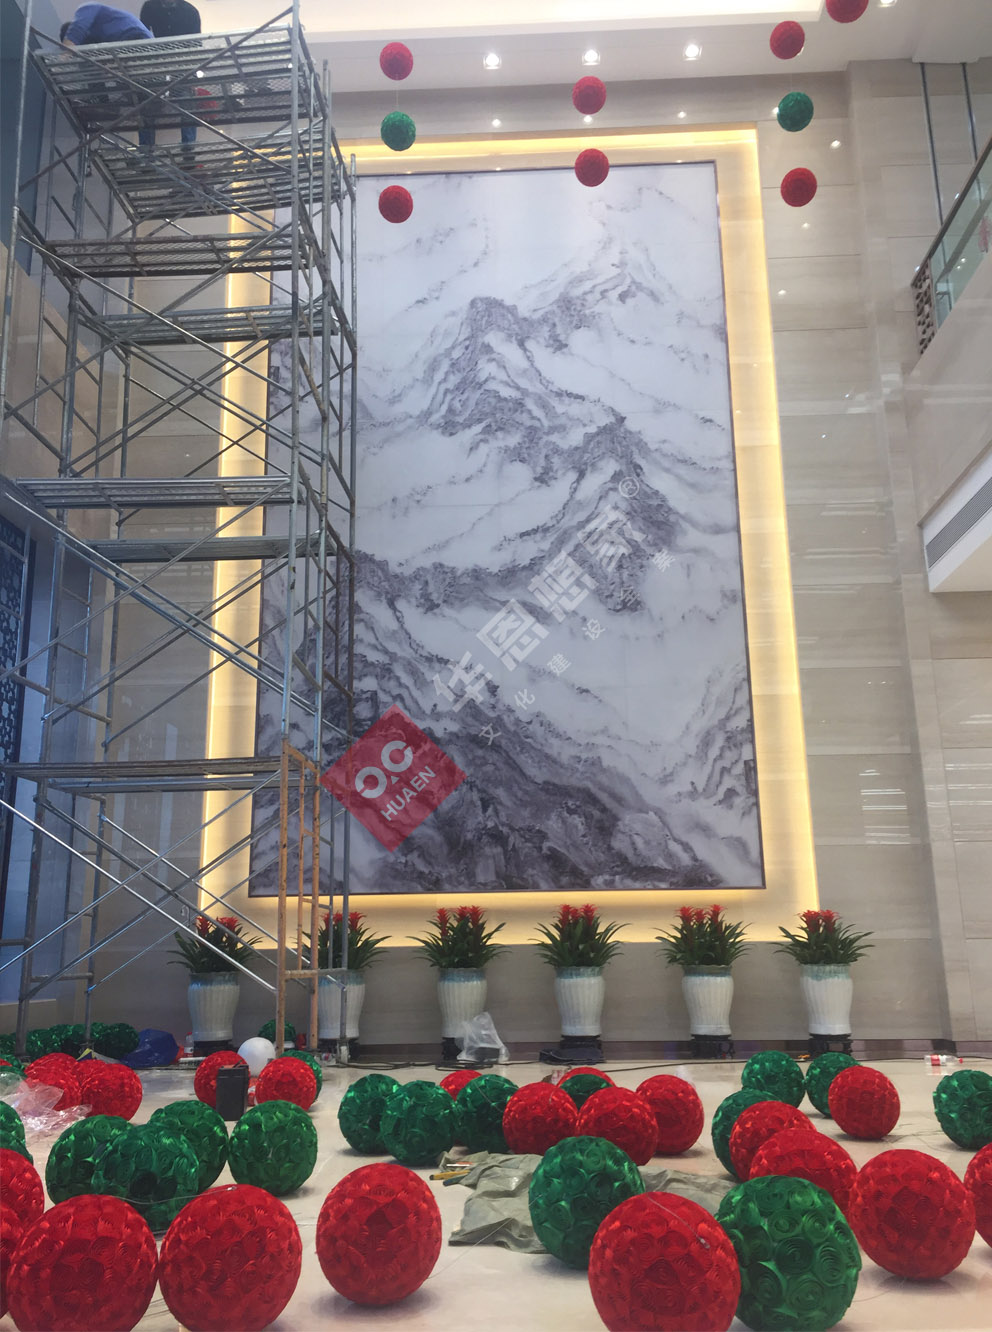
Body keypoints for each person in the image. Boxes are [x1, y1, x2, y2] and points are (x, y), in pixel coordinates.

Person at [60, 4, 197, 150]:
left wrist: (64, 54)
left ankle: (176, 144)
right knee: (143, 102)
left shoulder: (86, 10)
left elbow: (77, 30)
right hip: (136, 51)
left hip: (135, 41)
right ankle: (146, 150)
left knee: (91, 65)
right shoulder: (101, 37)